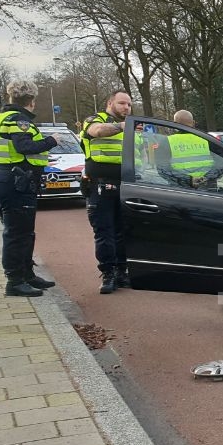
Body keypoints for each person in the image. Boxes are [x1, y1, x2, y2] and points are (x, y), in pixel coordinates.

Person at [0, 81, 63, 296]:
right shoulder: (18, 120)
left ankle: (26, 274)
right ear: (32, 100)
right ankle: (15, 281)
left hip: (4, 178)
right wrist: (51, 140)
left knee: (24, 231)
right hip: (16, 181)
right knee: (17, 233)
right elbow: (24, 147)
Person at [81, 90, 133, 294]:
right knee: (105, 232)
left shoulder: (131, 126)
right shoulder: (95, 119)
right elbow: (98, 131)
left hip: (127, 185)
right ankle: (108, 273)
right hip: (101, 186)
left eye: (129, 104)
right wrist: (122, 126)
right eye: (122, 103)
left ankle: (122, 271)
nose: (126, 108)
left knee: (125, 231)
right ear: (110, 103)